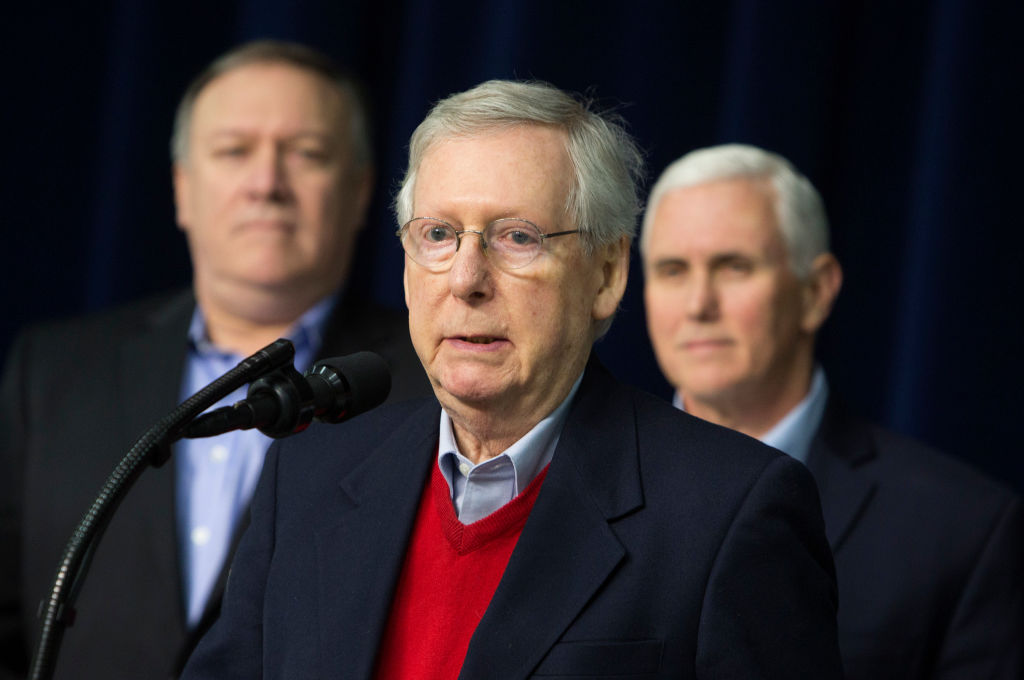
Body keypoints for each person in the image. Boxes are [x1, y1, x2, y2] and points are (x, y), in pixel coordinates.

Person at [181, 80, 844, 679]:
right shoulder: (310, 474)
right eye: (439, 234)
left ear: (608, 274)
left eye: (518, 238)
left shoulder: (731, 511)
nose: (468, 279)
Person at [0, 40, 429, 679]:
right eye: (234, 151)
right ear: (181, 188)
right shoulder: (53, 371)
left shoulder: (429, 383)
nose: (267, 184)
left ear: (363, 192)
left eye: (307, 154)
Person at [641, 143, 1024, 679]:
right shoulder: (567, 492)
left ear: (816, 291)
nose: (699, 304)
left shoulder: (965, 531)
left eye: (734, 267)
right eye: (673, 270)